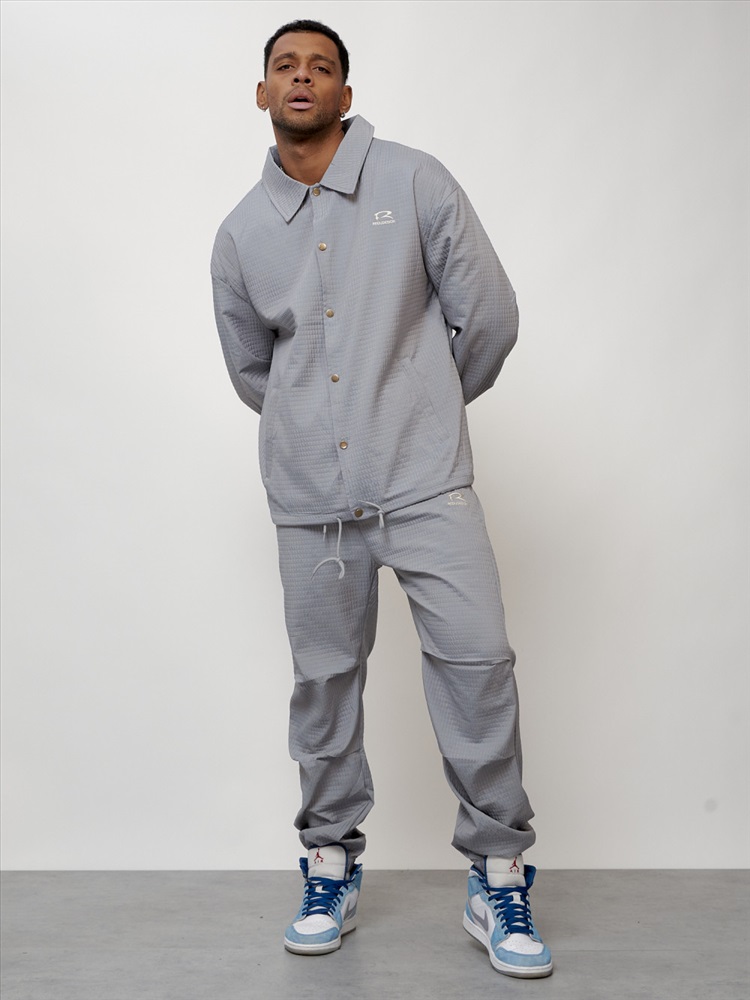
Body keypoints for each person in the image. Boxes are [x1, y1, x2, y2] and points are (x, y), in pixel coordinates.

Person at [211, 19, 553, 979]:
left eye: (321, 67)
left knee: (478, 663)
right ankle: (329, 863)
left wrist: (419, 409)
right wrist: (319, 428)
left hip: (425, 483)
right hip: (310, 500)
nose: (303, 78)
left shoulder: (415, 181)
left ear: (345, 94)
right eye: (285, 66)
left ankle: (498, 873)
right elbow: (253, 371)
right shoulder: (241, 233)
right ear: (262, 92)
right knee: (324, 681)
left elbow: (490, 315)